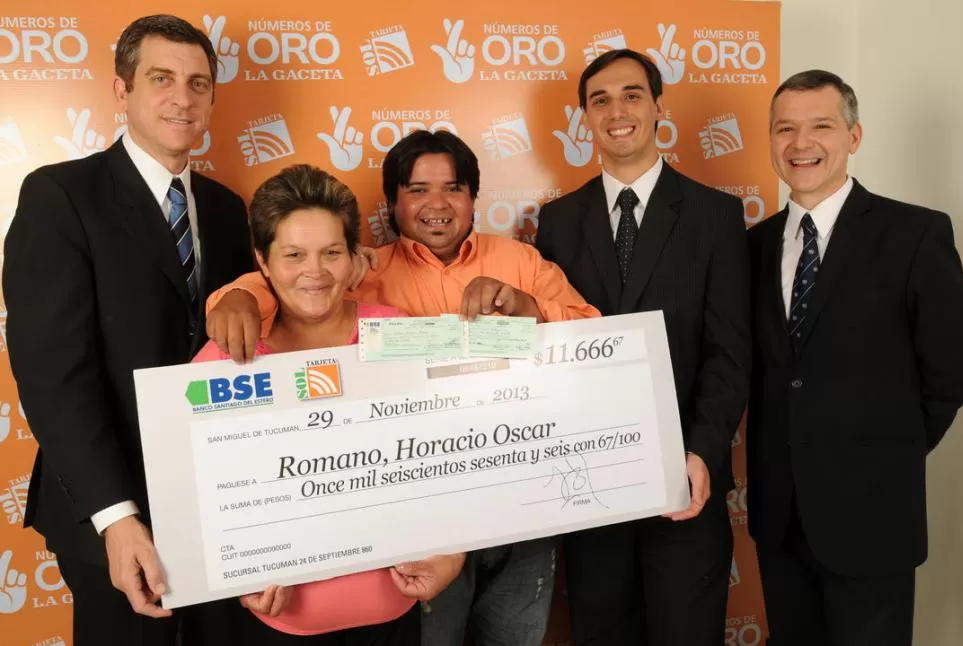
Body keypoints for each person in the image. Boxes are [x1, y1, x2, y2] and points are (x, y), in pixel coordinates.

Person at [204, 129, 600, 646]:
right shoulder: (363, 270)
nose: (437, 204)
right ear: (391, 203)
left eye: (453, 188)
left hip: (521, 501)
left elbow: (596, 342)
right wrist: (237, 294)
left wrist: (525, 309)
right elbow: (298, 280)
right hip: (422, 521)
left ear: (473, 197)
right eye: (416, 190)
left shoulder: (521, 262)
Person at [2, 15, 255, 645]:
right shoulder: (61, 195)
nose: (183, 98)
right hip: (110, 510)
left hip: (216, 503)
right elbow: (54, 377)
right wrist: (116, 519)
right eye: (162, 78)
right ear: (122, 90)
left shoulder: (226, 209)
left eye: (199, 83)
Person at [194, 163, 467, 645]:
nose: (315, 273)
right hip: (276, 623)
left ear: (353, 256)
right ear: (262, 259)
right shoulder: (227, 356)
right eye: (294, 254)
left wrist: (452, 553)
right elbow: (193, 489)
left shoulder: (397, 330)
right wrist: (234, 568)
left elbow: (448, 455)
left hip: (390, 615)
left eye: (331, 253)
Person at [746, 70, 963, 646]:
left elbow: (954, 366)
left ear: (854, 136)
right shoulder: (751, 245)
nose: (801, 144)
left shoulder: (915, 233)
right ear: (770, 139)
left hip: (874, 513)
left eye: (820, 126)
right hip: (780, 516)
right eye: (785, 129)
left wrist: (887, 448)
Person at [534, 49, 750, 645]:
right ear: (584, 116)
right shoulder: (556, 222)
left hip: (685, 486)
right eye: (599, 100)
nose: (616, 111)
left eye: (631, 95)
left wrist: (702, 454)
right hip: (589, 491)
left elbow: (729, 354)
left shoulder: (715, 214)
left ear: (658, 106)